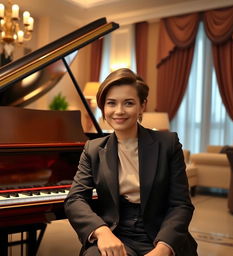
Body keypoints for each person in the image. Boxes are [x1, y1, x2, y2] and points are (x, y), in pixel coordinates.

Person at [64, 68, 198, 256]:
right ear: (103, 107)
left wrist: (163, 248)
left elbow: (181, 204)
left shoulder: (168, 143)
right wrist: (102, 232)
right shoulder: (93, 149)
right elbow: (75, 199)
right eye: (111, 103)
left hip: (160, 233)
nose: (119, 111)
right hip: (116, 232)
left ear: (142, 106)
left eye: (128, 103)